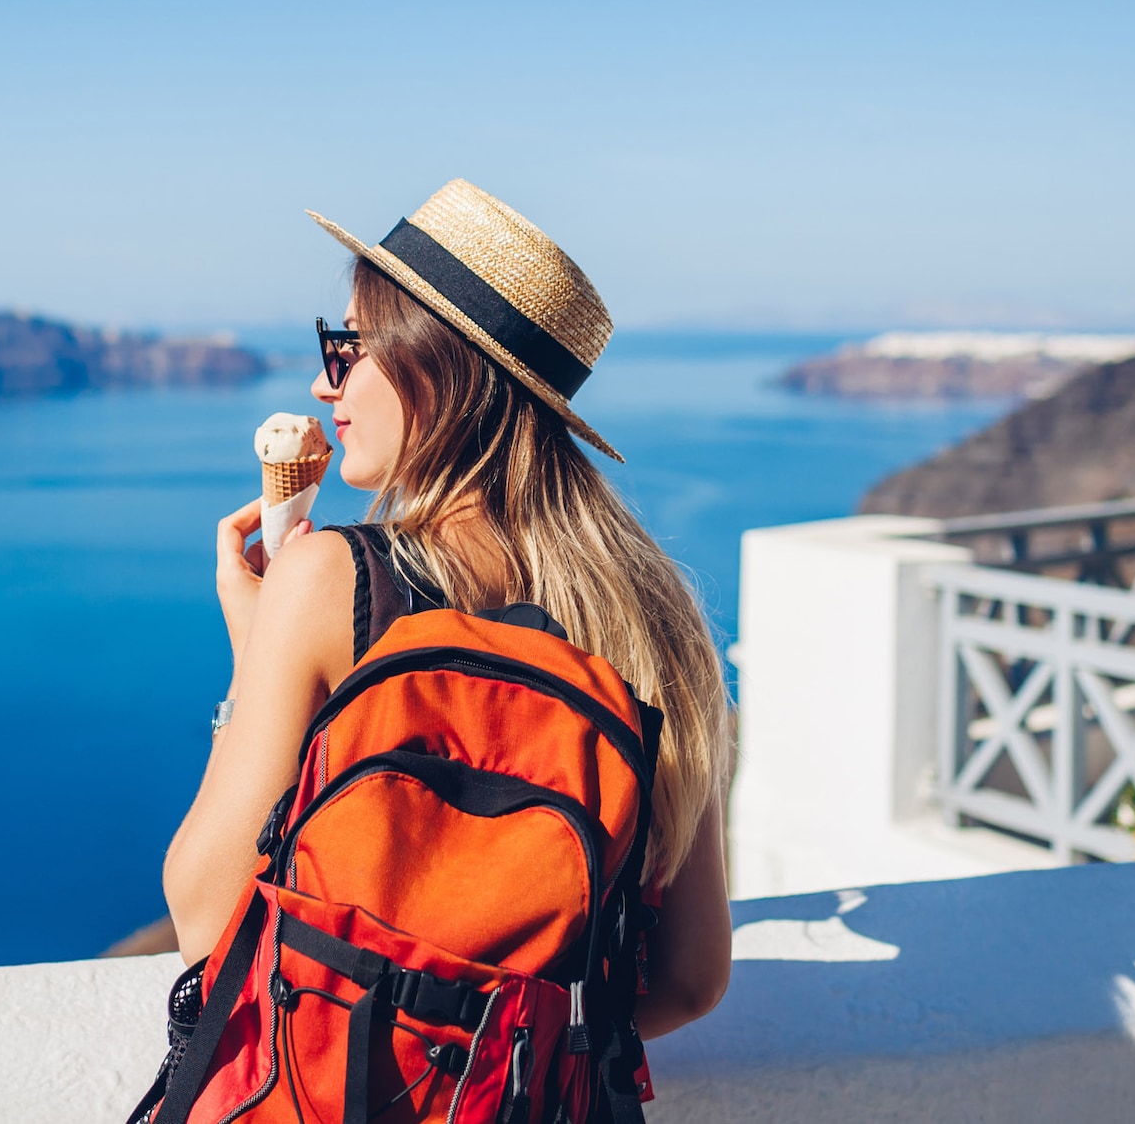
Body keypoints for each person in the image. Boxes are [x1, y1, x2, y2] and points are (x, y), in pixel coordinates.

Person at [161, 179, 732, 1043]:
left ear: (434, 360)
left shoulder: (327, 581)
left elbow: (207, 925)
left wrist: (256, 654)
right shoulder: (658, 613)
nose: (325, 383)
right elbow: (690, 979)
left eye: (348, 345)